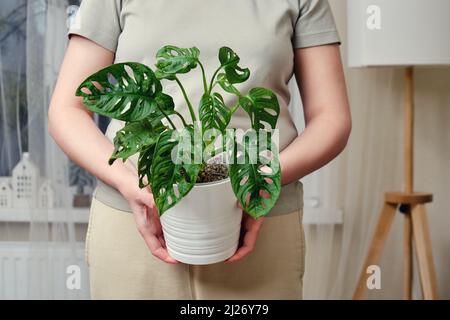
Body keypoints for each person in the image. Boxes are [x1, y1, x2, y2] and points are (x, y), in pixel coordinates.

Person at [48, 0, 351, 299]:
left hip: (259, 225)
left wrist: (257, 184)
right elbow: (67, 110)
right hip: (137, 224)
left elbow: (332, 119)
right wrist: (133, 188)